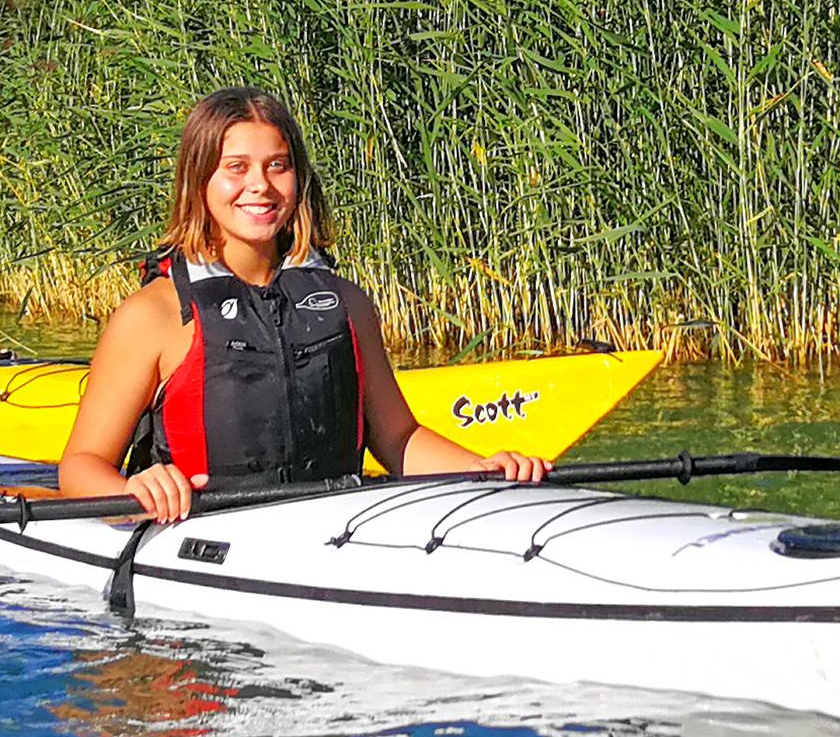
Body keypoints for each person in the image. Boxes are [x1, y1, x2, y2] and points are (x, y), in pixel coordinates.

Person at [58, 87, 549, 523]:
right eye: (236, 168)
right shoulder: (155, 315)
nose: (261, 186)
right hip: (197, 538)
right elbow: (79, 467)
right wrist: (131, 490)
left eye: (278, 165)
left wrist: (483, 469)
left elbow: (398, 440)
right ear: (199, 180)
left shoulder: (348, 304)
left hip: (331, 530)